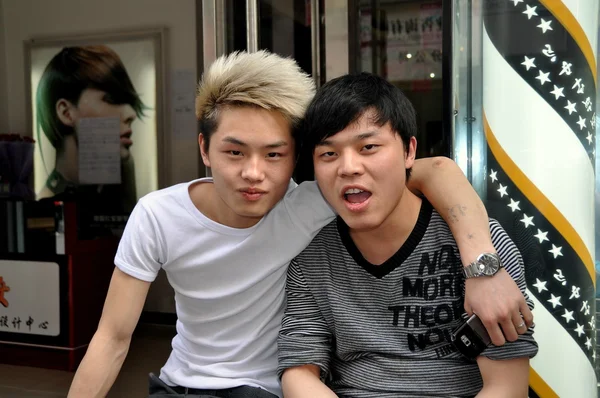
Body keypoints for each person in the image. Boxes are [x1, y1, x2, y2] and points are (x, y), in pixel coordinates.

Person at [67, 51, 532, 398]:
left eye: (274, 154)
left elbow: (436, 171)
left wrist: (482, 265)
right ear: (205, 150)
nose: (254, 173)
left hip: (263, 390)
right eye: (234, 152)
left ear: (296, 160)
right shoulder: (159, 215)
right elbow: (112, 338)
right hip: (178, 385)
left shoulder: (313, 203)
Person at [277, 73, 538, 397]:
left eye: (368, 147)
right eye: (328, 154)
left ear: (409, 151)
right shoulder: (312, 258)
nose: (348, 167)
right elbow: (299, 372)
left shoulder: (483, 250)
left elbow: (507, 388)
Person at [35, 45, 145, 213]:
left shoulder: (119, 179)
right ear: (66, 113)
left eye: (128, 101)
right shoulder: (46, 206)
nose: (131, 114)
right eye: (111, 99)